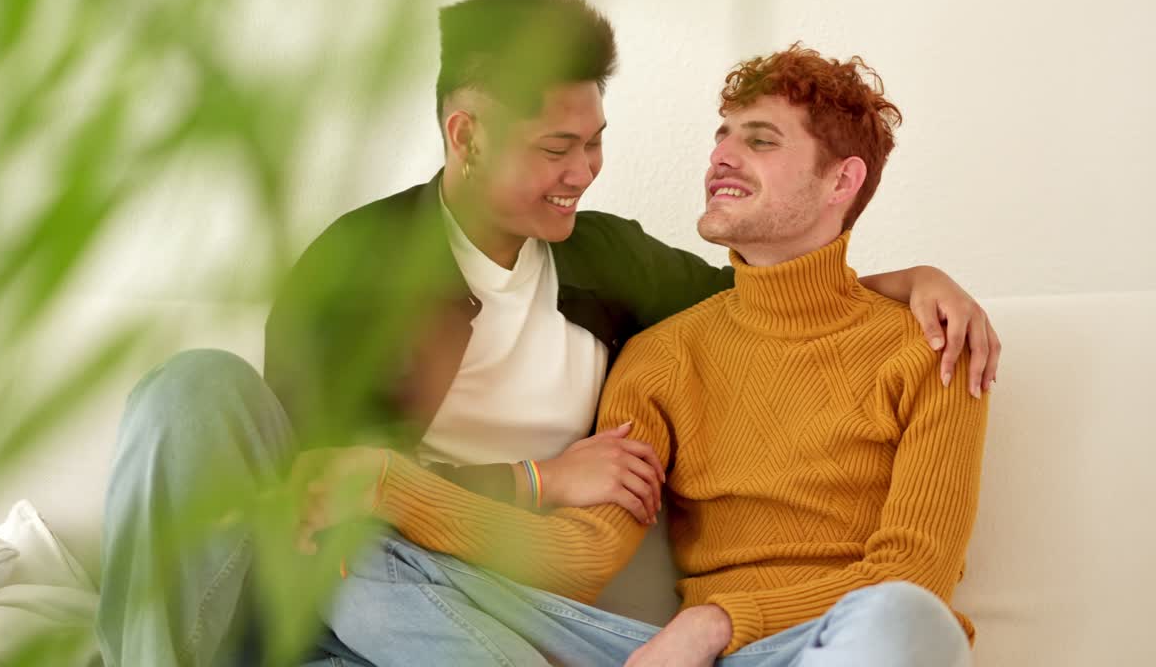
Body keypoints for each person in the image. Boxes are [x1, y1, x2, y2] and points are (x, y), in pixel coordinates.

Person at [95, 0, 998, 667]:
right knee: (269, 465)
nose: (586, 171)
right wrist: (531, 480)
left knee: (904, 619)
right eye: (556, 149)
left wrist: (904, 280)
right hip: (334, 593)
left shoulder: (630, 272)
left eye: (594, 140)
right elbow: (325, 491)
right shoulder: (356, 268)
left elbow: (775, 308)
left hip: (744, 641)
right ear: (467, 136)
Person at [323, 43, 988, 667]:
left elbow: (915, 571)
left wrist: (718, 622)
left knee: (907, 616)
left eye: (759, 140)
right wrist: (393, 487)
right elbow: (581, 554)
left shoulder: (929, 345)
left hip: (824, 643)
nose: (722, 157)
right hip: (665, 654)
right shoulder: (664, 354)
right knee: (362, 572)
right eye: (722, 136)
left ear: (842, 180)